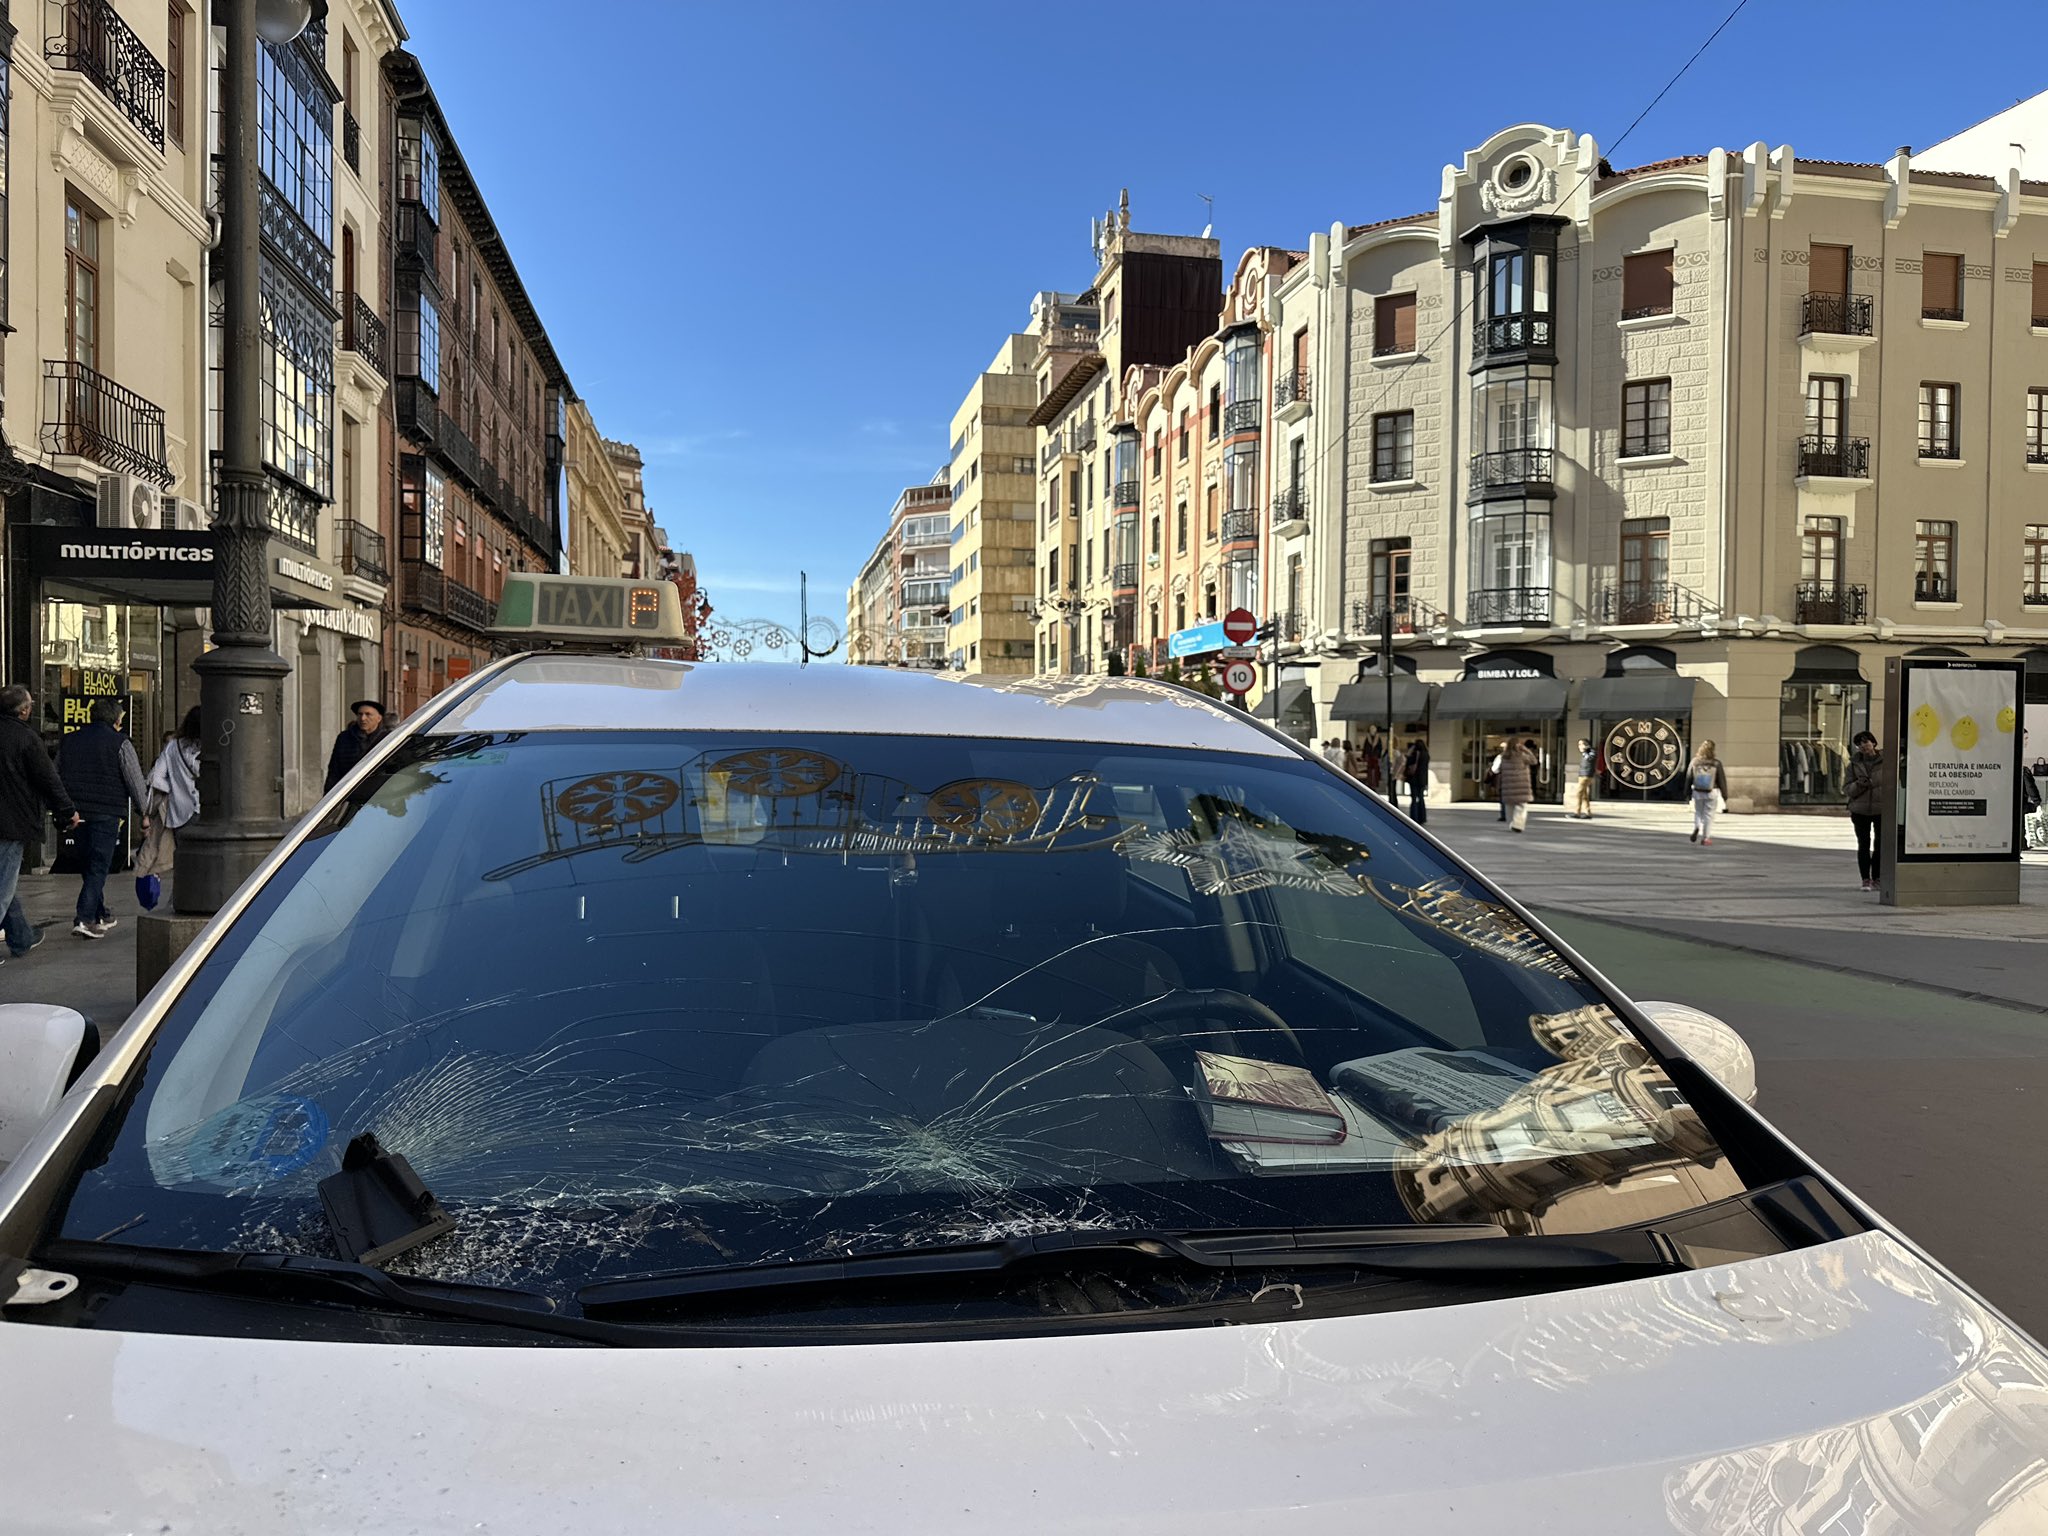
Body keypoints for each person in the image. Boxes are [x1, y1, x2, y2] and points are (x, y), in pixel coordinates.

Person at [55, 697, 149, 939]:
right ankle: (85, 918)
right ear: (116, 720)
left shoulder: (69, 741)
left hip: (76, 813)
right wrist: (144, 812)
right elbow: (134, 780)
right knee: (98, 866)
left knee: (89, 865)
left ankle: (101, 913)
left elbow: (55, 775)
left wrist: (61, 808)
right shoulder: (120, 743)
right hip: (106, 812)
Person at [0, 685, 80, 962]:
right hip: (10, 822)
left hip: (8, 821)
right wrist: (68, 811)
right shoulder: (26, 738)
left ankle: (21, 937)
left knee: (4, 882)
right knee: (3, 886)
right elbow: (48, 779)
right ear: (24, 711)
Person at [146, 706, 202, 844]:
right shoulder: (213, 747)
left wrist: (174, 786)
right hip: (206, 810)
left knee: (183, 855)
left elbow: (154, 777)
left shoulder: (173, 746)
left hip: (180, 811)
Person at [325, 699, 390, 792]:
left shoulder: (387, 739)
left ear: (379, 718)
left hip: (379, 794)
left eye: (368, 714)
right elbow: (334, 769)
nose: (363, 718)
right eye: (360, 714)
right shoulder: (344, 738)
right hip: (349, 791)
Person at [1845, 729, 1883, 890]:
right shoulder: (1853, 765)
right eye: (1859, 744)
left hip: (1881, 809)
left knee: (1880, 845)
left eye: (1866, 742)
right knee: (1864, 845)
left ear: (1873, 743)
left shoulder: (1887, 761)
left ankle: (1877, 878)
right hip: (1860, 810)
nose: (1863, 746)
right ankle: (1865, 879)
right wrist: (1859, 784)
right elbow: (1847, 789)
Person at [1687, 739, 1730, 847]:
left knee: (1698, 812)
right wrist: (1725, 795)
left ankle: (1697, 826)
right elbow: (1721, 780)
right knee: (1708, 815)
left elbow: (1688, 777)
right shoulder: (1716, 763)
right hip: (1712, 792)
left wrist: (1686, 792)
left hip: (1697, 791)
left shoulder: (1695, 762)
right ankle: (1706, 838)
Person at [1498, 738, 1536, 833]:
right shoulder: (1522, 756)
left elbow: (1499, 768)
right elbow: (1534, 761)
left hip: (1508, 784)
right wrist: (1526, 749)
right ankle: (1517, 824)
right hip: (1521, 785)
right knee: (1521, 805)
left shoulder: (1503, 757)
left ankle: (1511, 823)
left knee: (1509, 805)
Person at [1402, 737, 1430, 823]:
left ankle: (1414, 817)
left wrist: (1409, 752)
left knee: (1414, 798)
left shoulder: (1414, 755)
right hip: (1422, 780)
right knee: (1421, 798)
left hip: (1414, 779)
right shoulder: (1426, 755)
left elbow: (1407, 763)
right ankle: (1422, 817)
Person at [1573, 738, 1596, 819]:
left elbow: (1590, 759)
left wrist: (1585, 751)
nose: (1579, 746)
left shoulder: (1591, 751)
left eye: (1581, 744)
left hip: (1587, 775)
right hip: (1582, 775)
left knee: (1578, 793)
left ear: (1586, 744)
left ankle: (1577, 812)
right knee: (1584, 795)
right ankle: (1588, 812)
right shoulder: (1585, 753)